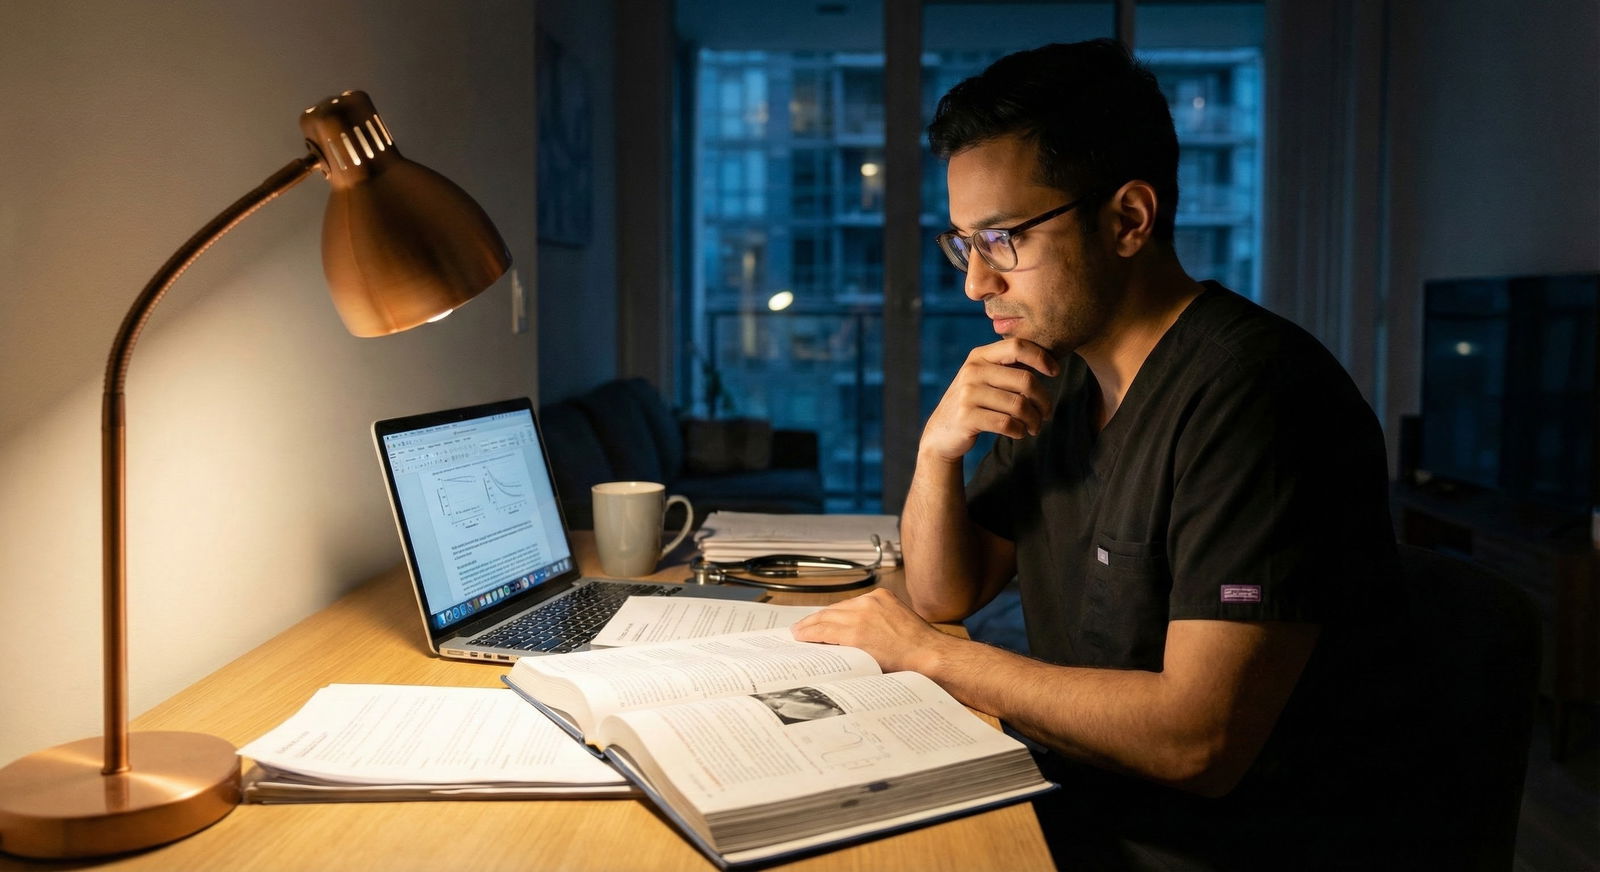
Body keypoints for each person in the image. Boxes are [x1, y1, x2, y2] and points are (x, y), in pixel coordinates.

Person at [791, 40, 1414, 869]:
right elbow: (947, 591)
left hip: (1200, 846)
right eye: (964, 243)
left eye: (1003, 238)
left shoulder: (1259, 396)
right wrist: (937, 452)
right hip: (1078, 790)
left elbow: (1200, 740)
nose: (976, 283)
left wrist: (932, 657)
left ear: (1128, 219)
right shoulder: (1066, 380)